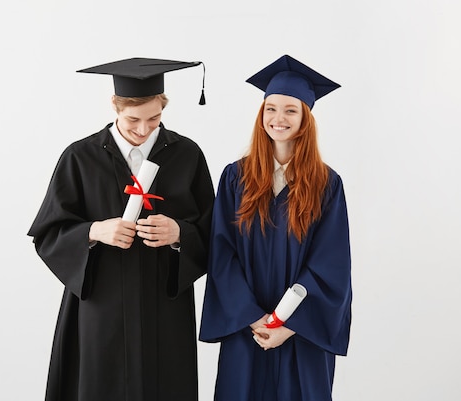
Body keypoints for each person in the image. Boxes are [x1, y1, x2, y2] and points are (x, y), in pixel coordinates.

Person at [28, 57, 215, 401]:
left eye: (154, 118)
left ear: (164, 105)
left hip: (164, 305)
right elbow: (49, 233)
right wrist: (95, 231)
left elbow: (214, 232)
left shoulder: (187, 154)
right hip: (103, 304)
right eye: (133, 120)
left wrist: (179, 235)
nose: (144, 129)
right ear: (114, 105)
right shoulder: (80, 157)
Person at [199, 54, 352, 401]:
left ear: (305, 119)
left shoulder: (327, 184)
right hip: (247, 330)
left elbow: (332, 263)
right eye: (271, 108)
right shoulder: (235, 177)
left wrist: (289, 325)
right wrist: (253, 317)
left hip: (301, 333)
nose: (278, 118)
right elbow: (222, 254)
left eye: (290, 110)